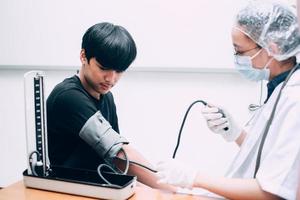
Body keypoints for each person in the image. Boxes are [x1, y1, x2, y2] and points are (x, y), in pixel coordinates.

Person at [156, 1, 300, 199]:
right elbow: (269, 155)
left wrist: (194, 177)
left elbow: (272, 191)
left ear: (271, 48)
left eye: (240, 52)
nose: (237, 58)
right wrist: (235, 132)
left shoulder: (295, 99)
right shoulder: (279, 87)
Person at [46, 22, 174, 191]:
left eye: (119, 71)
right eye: (103, 68)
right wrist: (171, 187)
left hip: (99, 188)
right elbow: (118, 154)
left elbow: (118, 162)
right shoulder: (68, 97)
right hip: (70, 191)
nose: (111, 79)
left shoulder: (106, 97)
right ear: (83, 56)